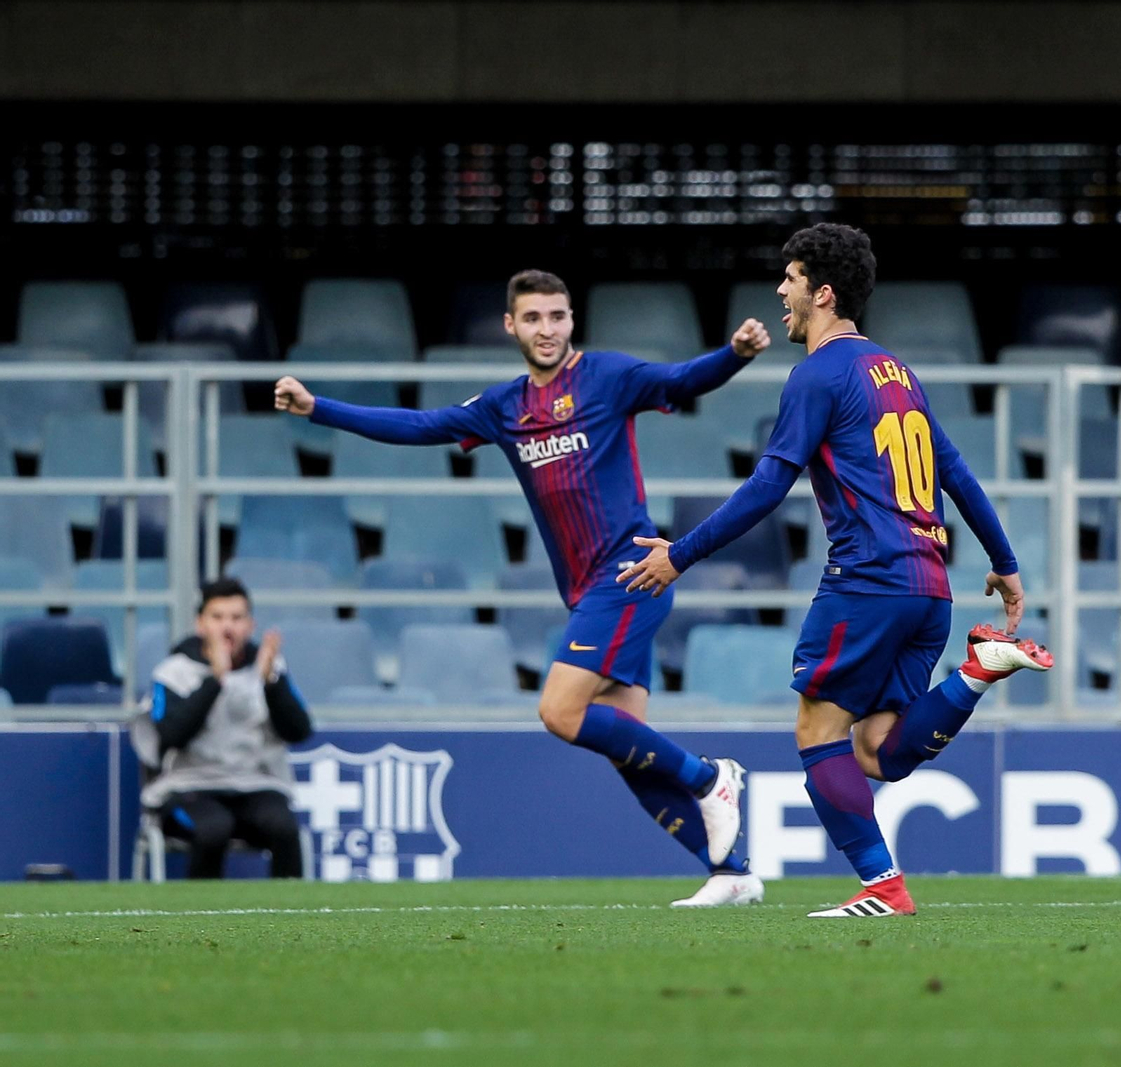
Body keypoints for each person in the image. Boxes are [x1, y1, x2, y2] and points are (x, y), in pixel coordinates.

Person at [274, 269, 770, 907]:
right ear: (511, 325)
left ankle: (710, 780)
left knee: (559, 712)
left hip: (630, 573)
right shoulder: (505, 408)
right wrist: (320, 409)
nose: (547, 329)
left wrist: (733, 355)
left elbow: (681, 381)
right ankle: (730, 871)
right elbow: (418, 426)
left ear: (571, 321)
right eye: (533, 318)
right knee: (628, 748)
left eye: (557, 316)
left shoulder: (608, 378)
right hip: (588, 588)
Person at [619, 223, 1052, 918]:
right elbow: (958, 471)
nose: (780, 291)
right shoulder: (897, 372)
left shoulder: (817, 374)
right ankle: (977, 671)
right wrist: (1005, 562)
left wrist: (679, 554)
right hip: (928, 586)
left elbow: (766, 488)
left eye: (789, 279)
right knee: (879, 749)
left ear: (822, 293)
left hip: (867, 581)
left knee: (817, 734)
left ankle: (883, 884)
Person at [142, 578, 313, 878]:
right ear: (200, 624)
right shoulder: (173, 672)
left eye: (236, 618)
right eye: (217, 617)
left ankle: (291, 918)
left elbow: (299, 731)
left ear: (250, 624)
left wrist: (272, 684)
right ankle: (200, 919)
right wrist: (215, 681)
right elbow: (170, 735)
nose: (227, 628)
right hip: (190, 785)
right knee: (213, 828)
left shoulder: (269, 667)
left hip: (255, 784)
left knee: (284, 827)